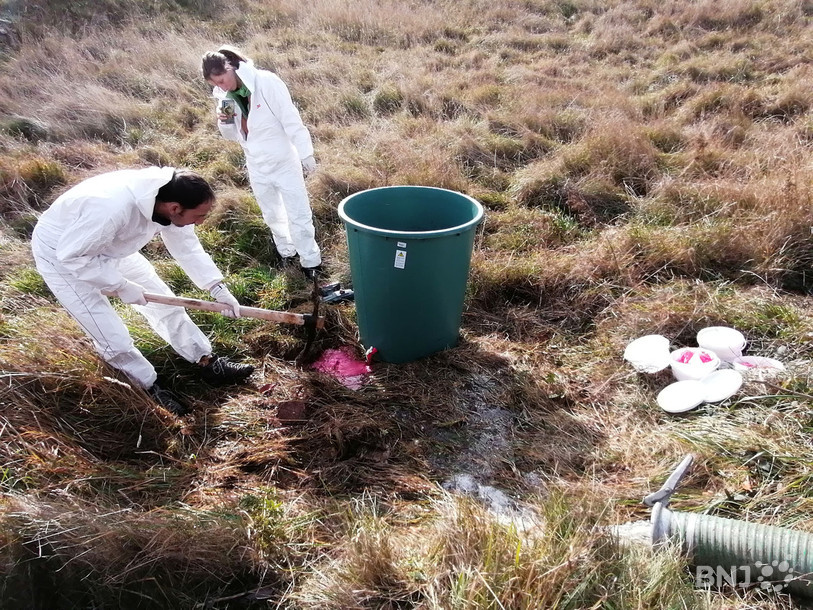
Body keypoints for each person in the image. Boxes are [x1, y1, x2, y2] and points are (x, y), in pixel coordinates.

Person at [31, 166, 255, 416]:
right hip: (63, 255)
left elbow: (187, 248)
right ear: (174, 208)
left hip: (112, 244)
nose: (201, 221)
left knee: (167, 303)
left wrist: (217, 287)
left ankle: (205, 362)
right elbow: (74, 256)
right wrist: (121, 286)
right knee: (109, 333)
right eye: (200, 215)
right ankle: (148, 386)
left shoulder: (168, 197)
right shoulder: (111, 209)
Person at [201, 46, 322, 279]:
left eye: (223, 80)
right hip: (256, 163)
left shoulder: (266, 82)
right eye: (215, 84)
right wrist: (224, 122)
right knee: (272, 213)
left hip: (283, 160)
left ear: (231, 68)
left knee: (298, 212)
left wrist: (306, 155)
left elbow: (291, 119)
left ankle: (311, 263)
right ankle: (287, 253)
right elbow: (230, 136)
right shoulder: (224, 97)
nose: (222, 86)